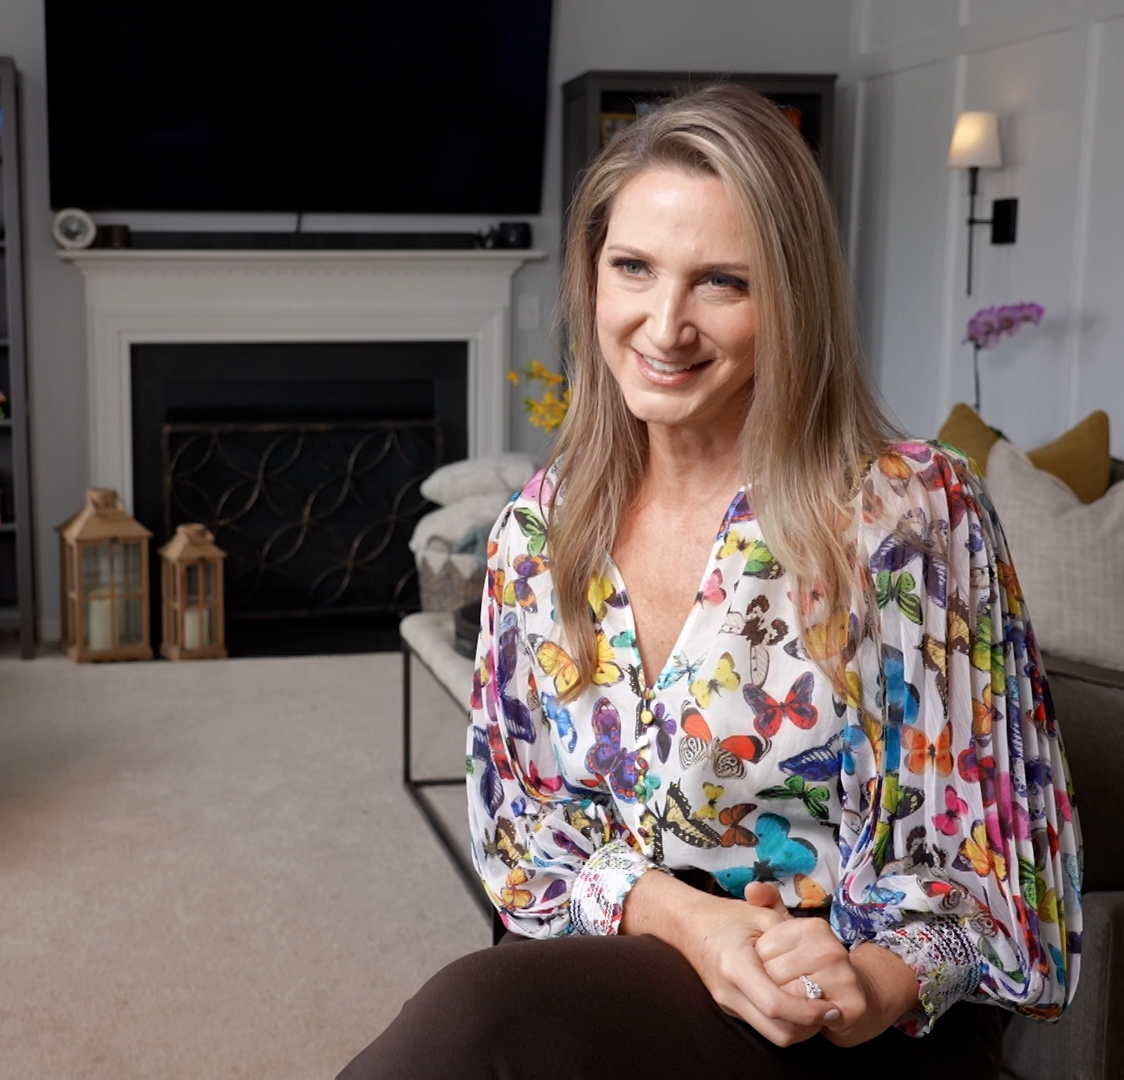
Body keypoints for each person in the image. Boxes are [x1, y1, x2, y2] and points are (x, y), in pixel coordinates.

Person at [342, 84, 1080, 1078]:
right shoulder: (539, 533)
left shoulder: (910, 517)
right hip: (622, 964)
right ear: (591, 277)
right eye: (634, 268)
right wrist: (689, 923)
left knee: (480, 1019)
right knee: (486, 1011)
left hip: (843, 1016)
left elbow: (1005, 883)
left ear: (792, 301)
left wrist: (864, 984)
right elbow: (522, 840)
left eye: (722, 283)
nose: (664, 325)